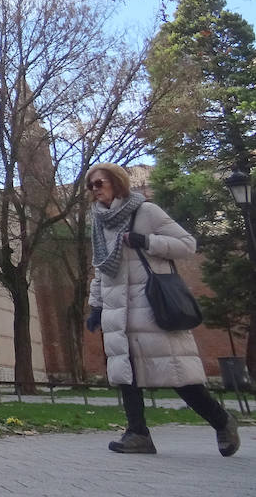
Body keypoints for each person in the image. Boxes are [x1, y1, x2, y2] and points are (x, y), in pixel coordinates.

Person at [85, 162, 241, 456]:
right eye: (91, 186)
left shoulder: (147, 212)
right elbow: (101, 269)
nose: (95, 190)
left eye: (99, 183)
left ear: (116, 183)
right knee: (126, 373)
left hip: (153, 305)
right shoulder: (100, 224)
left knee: (177, 375)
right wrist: (96, 306)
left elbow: (187, 244)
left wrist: (147, 241)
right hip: (119, 310)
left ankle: (222, 421)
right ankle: (138, 434)